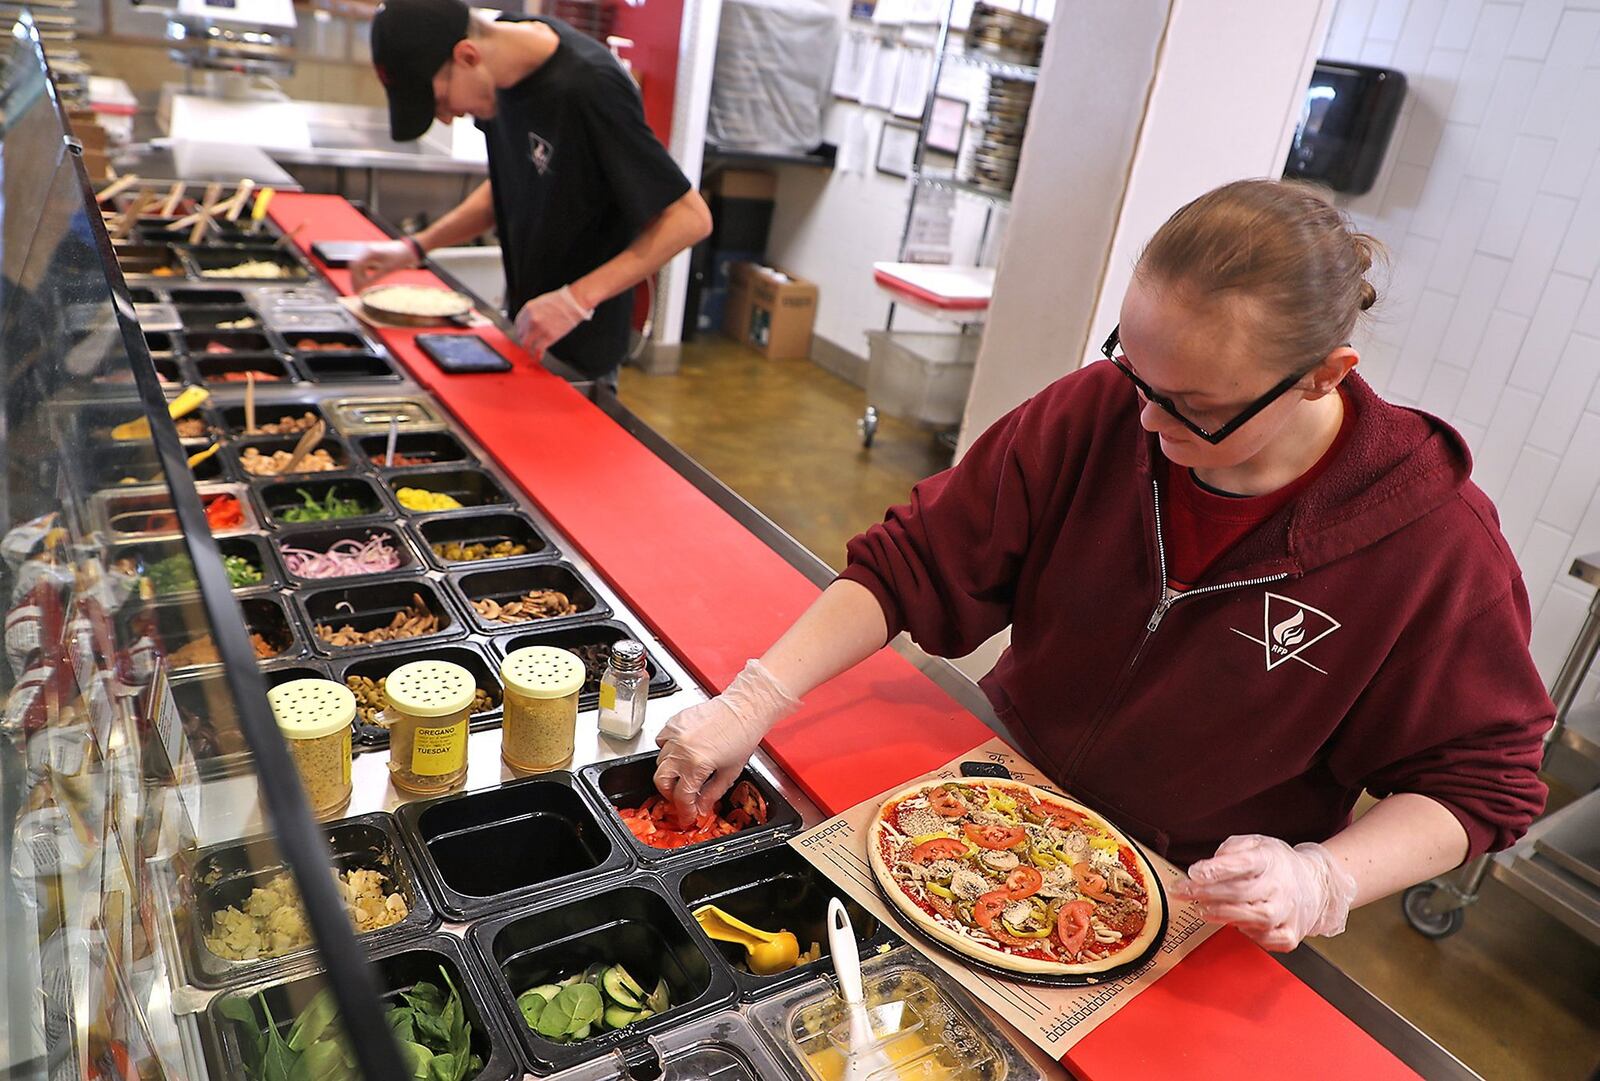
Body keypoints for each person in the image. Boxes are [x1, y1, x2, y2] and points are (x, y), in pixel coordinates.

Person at [654, 179, 1553, 953]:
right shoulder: (1104, 412)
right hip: (989, 800)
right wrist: (756, 697)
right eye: (1136, 373)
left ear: (1324, 374)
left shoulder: (1433, 543)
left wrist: (1324, 876)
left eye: (1194, 407)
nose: (1150, 428)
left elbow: (1482, 781)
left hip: (1187, 891)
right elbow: (916, 560)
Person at [352, 0, 711, 382]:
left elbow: (690, 218)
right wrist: (414, 248)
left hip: (581, 347)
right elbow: (510, 181)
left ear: (468, 55)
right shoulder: (502, 65)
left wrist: (576, 300)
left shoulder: (589, 87)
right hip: (524, 328)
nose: (445, 116)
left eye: (439, 101)